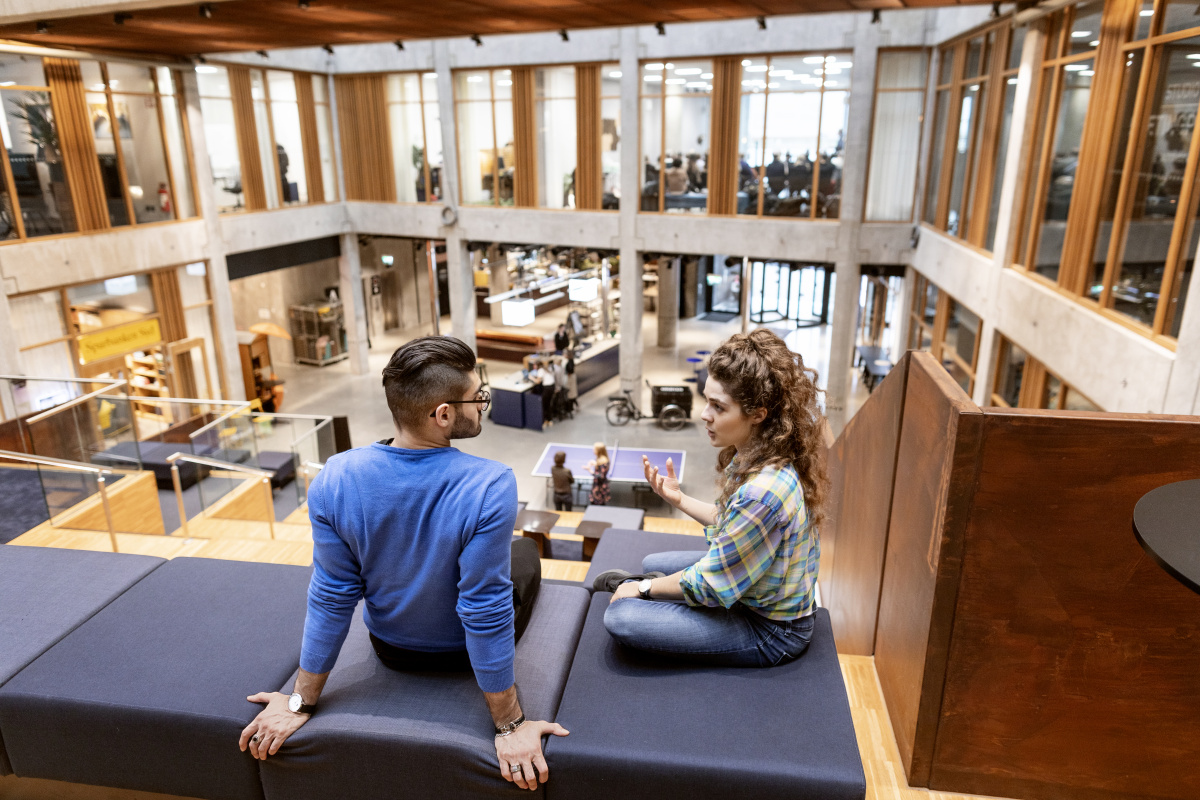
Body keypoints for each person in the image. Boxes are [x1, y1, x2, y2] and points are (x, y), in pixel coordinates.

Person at [238, 336, 566, 791]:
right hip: (459, 658)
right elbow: (484, 608)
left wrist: (299, 702)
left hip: (390, 648)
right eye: (477, 398)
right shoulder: (490, 484)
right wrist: (510, 726)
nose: (482, 405)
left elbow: (332, 595)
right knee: (525, 554)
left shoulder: (335, 476)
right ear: (444, 415)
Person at [594, 329, 825, 668]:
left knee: (621, 619)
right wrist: (680, 500)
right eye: (707, 400)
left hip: (773, 630)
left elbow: (713, 584)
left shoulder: (764, 491)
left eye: (718, 406)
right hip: (754, 589)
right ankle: (655, 587)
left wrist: (644, 592)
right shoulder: (756, 453)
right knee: (652, 563)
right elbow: (731, 521)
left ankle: (647, 590)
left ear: (758, 414)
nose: (704, 414)